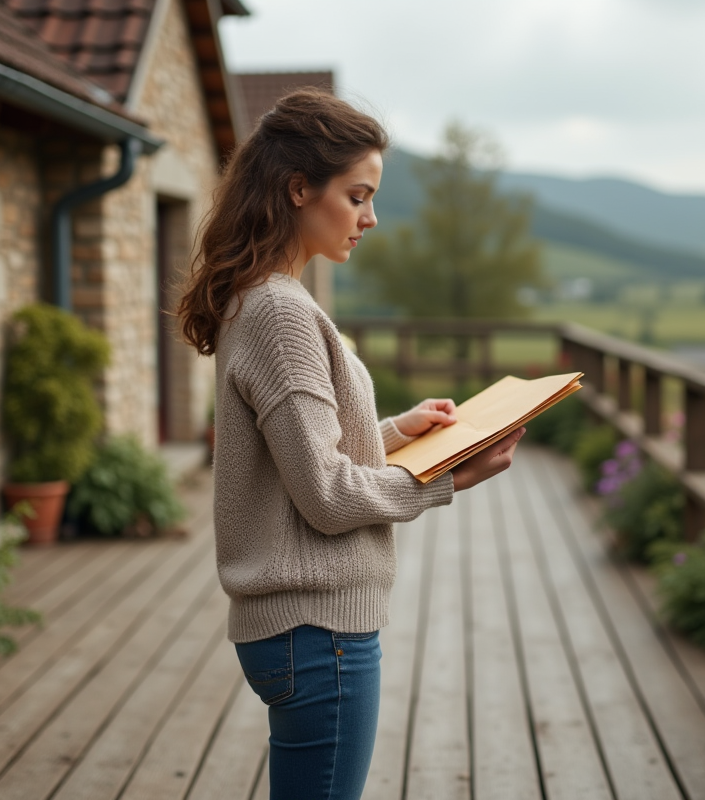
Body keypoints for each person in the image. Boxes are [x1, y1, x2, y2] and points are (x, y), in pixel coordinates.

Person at [176, 90, 524, 800]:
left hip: (301, 634)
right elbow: (329, 495)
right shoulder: (281, 312)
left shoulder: (265, 299)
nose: (370, 218)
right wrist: (448, 481)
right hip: (319, 632)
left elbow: (303, 450)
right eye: (357, 195)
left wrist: (400, 431)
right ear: (298, 188)